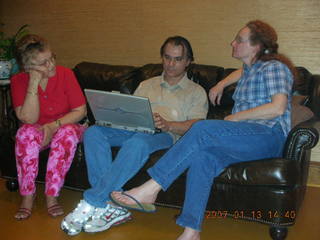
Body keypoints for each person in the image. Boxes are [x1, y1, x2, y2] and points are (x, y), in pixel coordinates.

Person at [110, 20, 296, 240]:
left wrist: (235, 117)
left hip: (267, 135)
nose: (232, 42)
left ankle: (151, 188)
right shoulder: (249, 69)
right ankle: (191, 231)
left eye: (239, 40)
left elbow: (278, 107)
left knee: (202, 127)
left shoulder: (275, 68)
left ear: (256, 47)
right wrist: (221, 84)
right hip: (243, 137)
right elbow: (242, 71)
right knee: (203, 158)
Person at [61, 36, 208, 235]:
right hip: (133, 128)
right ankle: (107, 206)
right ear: (161, 57)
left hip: (166, 135)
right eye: (167, 57)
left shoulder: (196, 92)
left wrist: (168, 124)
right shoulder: (147, 84)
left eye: (178, 59)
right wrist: (115, 116)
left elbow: (197, 126)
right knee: (94, 132)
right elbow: (129, 111)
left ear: (188, 61)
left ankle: (93, 200)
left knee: (138, 142)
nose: (171, 64)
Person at [11, 34, 87, 220]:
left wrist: (52, 126)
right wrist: (33, 82)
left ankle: (52, 196)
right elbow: (29, 118)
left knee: (66, 133)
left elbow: (80, 110)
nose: (51, 65)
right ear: (29, 68)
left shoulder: (66, 74)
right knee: (25, 133)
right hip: (38, 129)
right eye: (43, 63)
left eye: (52, 58)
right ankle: (27, 197)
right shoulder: (18, 81)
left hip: (66, 125)